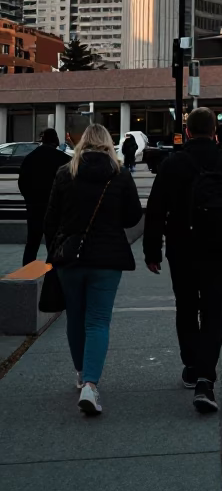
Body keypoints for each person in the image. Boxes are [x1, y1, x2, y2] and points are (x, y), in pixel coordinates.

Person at [143, 107, 222, 413]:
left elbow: (155, 210)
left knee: (185, 307)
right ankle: (206, 378)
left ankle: (192, 366)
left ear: (189, 132)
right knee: (213, 312)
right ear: (215, 132)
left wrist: (152, 251)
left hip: (182, 248)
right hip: (220, 250)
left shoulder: (173, 164)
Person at [44, 124, 142, 416]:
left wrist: (56, 250)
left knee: (75, 317)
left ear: (83, 143)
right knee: (98, 320)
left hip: (70, 258)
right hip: (107, 259)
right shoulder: (120, 175)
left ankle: (79, 372)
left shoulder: (65, 173)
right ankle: (90, 383)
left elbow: (50, 219)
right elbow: (133, 216)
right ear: (108, 144)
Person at [18, 128, 70, 265]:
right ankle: (53, 272)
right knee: (53, 241)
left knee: (32, 241)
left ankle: (27, 269)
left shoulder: (30, 158)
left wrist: (30, 199)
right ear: (56, 140)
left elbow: (22, 183)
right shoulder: (63, 159)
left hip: (34, 206)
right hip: (54, 208)